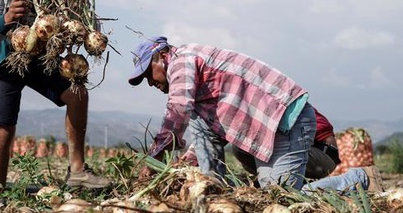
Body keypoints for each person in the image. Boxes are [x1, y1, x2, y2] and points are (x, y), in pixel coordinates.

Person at [128, 35, 381, 193]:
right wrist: (188, 165)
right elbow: (205, 129)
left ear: (162, 56)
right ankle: (215, 187)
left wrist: (155, 159)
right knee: (211, 130)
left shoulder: (182, 60)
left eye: (149, 74)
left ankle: (355, 179)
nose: (150, 83)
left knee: (280, 198)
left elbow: (178, 109)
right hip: (267, 134)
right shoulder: (193, 81)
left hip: (288, 126)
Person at [0, 0, 112, 194]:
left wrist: (85, 14)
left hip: (38, 57)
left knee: (77, 92)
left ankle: (78, 172)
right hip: (3, 59)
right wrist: (5, 20)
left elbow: (92, 27)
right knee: (4, 126)